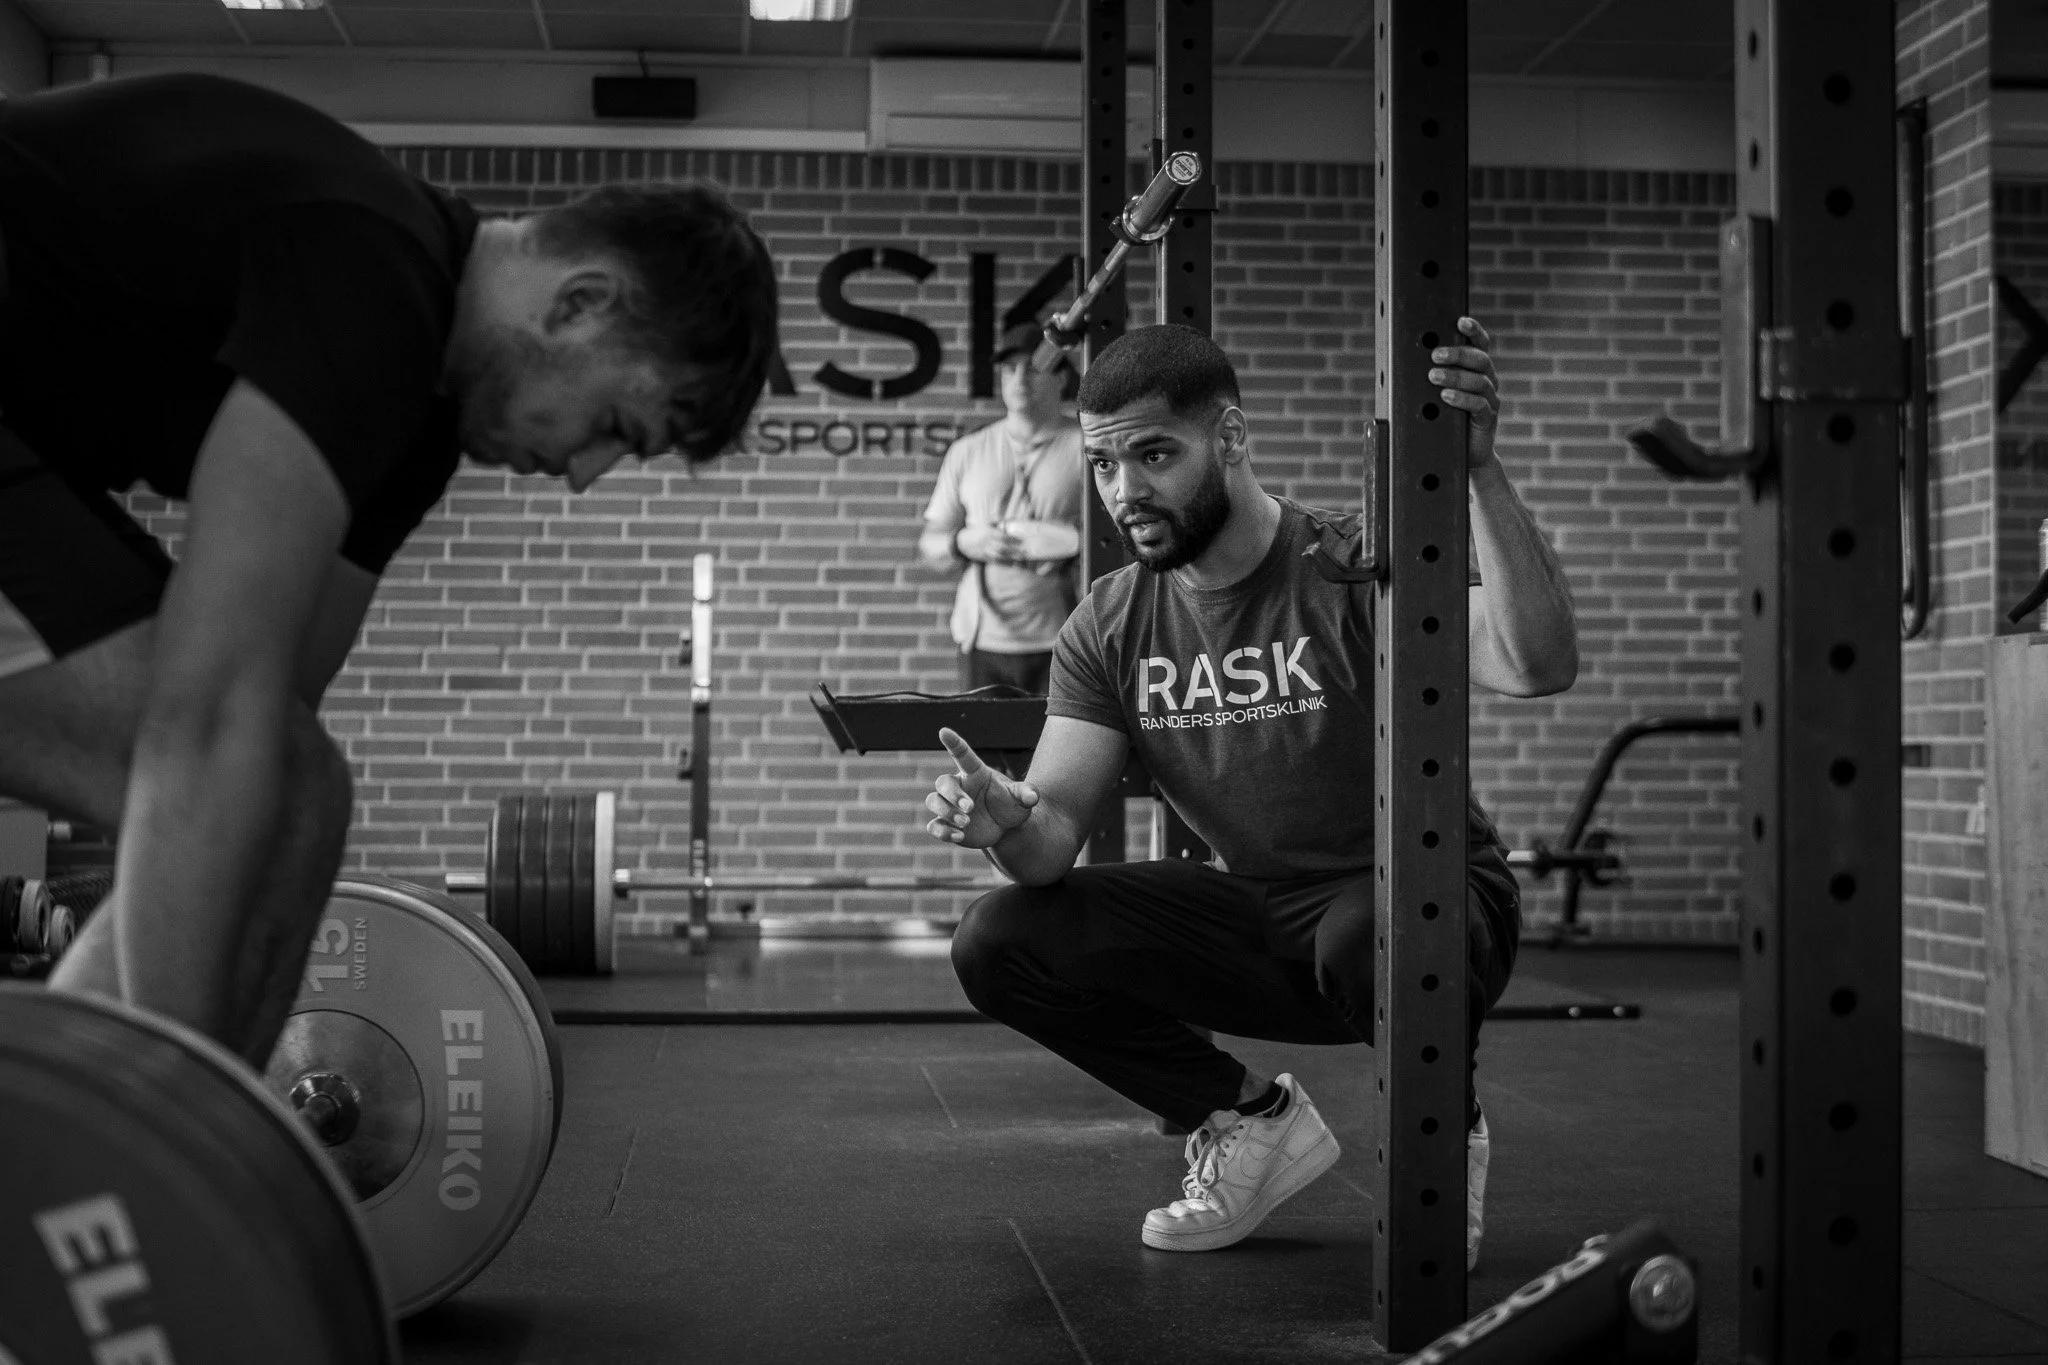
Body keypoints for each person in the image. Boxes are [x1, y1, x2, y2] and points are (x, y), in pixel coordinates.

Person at [0, 72, 779, 1070]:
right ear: (580, 303)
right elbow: (202, 724)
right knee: (203, 755)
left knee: (297, 787)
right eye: (615, 427)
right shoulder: (368, 276)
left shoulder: (419, 423)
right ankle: (164, 1149)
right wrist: (195, 1110)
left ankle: (121, 1161)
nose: (584, 476)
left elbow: (274, 732)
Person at [922, 321, 1576, 1270]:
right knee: (998, 937)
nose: (1125, 492)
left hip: (1431, 904)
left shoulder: (1353, 567)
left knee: (1370, 929)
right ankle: (1249, 1122)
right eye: (1104, 464)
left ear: (1228, 438)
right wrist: (1004, 823)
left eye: (1155, 454)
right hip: (1269, 915)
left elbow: (1538, 661)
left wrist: (1482, 473)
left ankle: (1444, 1130)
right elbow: (1052, 838)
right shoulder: (1110, 620)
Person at [918, 320, 1086, 696]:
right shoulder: (968, 450)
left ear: (1061, 379)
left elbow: (1125, 542)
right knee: (983, 752)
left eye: (1034, 366)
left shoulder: (1087, 448)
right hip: (982, 641)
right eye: (1010, 369)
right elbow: (930, 545)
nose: (1019, 378)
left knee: (1058, 754)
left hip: (1065, 639)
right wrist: (963, 543)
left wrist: (1072, 543)